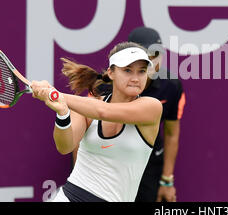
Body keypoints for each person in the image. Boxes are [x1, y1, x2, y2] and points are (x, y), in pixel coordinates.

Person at [31, 42, 162, 202]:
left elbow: (104, 111)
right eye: (127, 70)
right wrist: (63, 113)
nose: (135, 78)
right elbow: (64, 147)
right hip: (70, 197)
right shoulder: (87, 108)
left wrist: (55, 94)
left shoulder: (151, 107)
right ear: (111, 73)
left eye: (141, 71)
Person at [127, 27, 186, 202]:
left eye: (155, 54)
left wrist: (167, 181)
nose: (151, 60)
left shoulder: (171, 86)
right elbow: (85, 130)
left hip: (149, 163)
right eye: (145, 55)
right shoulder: (107, 84)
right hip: (112, 162)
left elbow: (171, 133)